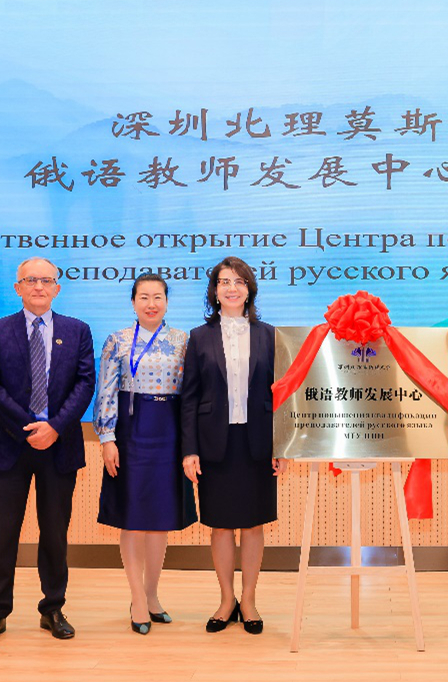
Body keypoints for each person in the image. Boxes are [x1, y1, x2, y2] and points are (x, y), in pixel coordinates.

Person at [0, 257, 96, 647]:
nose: (39, 287)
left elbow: (85, 384)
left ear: (57, 288)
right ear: (18, 288)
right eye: (30, 280)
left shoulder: (78, 330)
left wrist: (54, 427)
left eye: (46, 280)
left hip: (59, 445)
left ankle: (53, 609)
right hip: (8, 444)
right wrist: (29, 427)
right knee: (3, 532)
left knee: (55, 532)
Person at [180, 256, 286, 635]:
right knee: (221, 526)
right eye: (224, 281)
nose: (232, 288)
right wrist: (189, 450)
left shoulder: (269, 335)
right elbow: (189, 398)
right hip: (214, 444)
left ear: (249, 290)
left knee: (254, 525)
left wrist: (281, 445)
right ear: (214, 291)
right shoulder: (199, 336)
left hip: (257, 442)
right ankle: (227, 600)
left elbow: (281, 394)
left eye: (239, 281)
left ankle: (250, 600)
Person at [94, 273, 197, 635]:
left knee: (160, 518)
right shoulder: (117, 340)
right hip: (130, 432)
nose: (151, 304)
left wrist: (192, 443)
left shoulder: (184, 340)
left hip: (169, 432)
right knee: (133, 517)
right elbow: (105, 391)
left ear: (167, 301)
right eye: (143, 297)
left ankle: (152, 595)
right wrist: (107, 438)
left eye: (158, 297)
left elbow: (192, 394)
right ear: (133, 302)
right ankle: (136, 597)